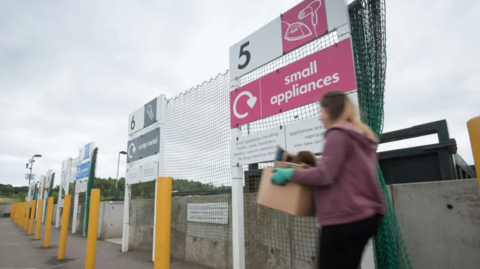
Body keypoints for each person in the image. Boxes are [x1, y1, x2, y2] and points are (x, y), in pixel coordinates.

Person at [271, 90, 386, 269]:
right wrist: (306, 163)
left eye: (321, 111)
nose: (320, 117)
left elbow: (325, 175)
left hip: (344, 218)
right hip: (367, 217)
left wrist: (290, 174)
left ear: (331, 111)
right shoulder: (361, 135)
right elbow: (340, 169)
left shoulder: (337, 133)